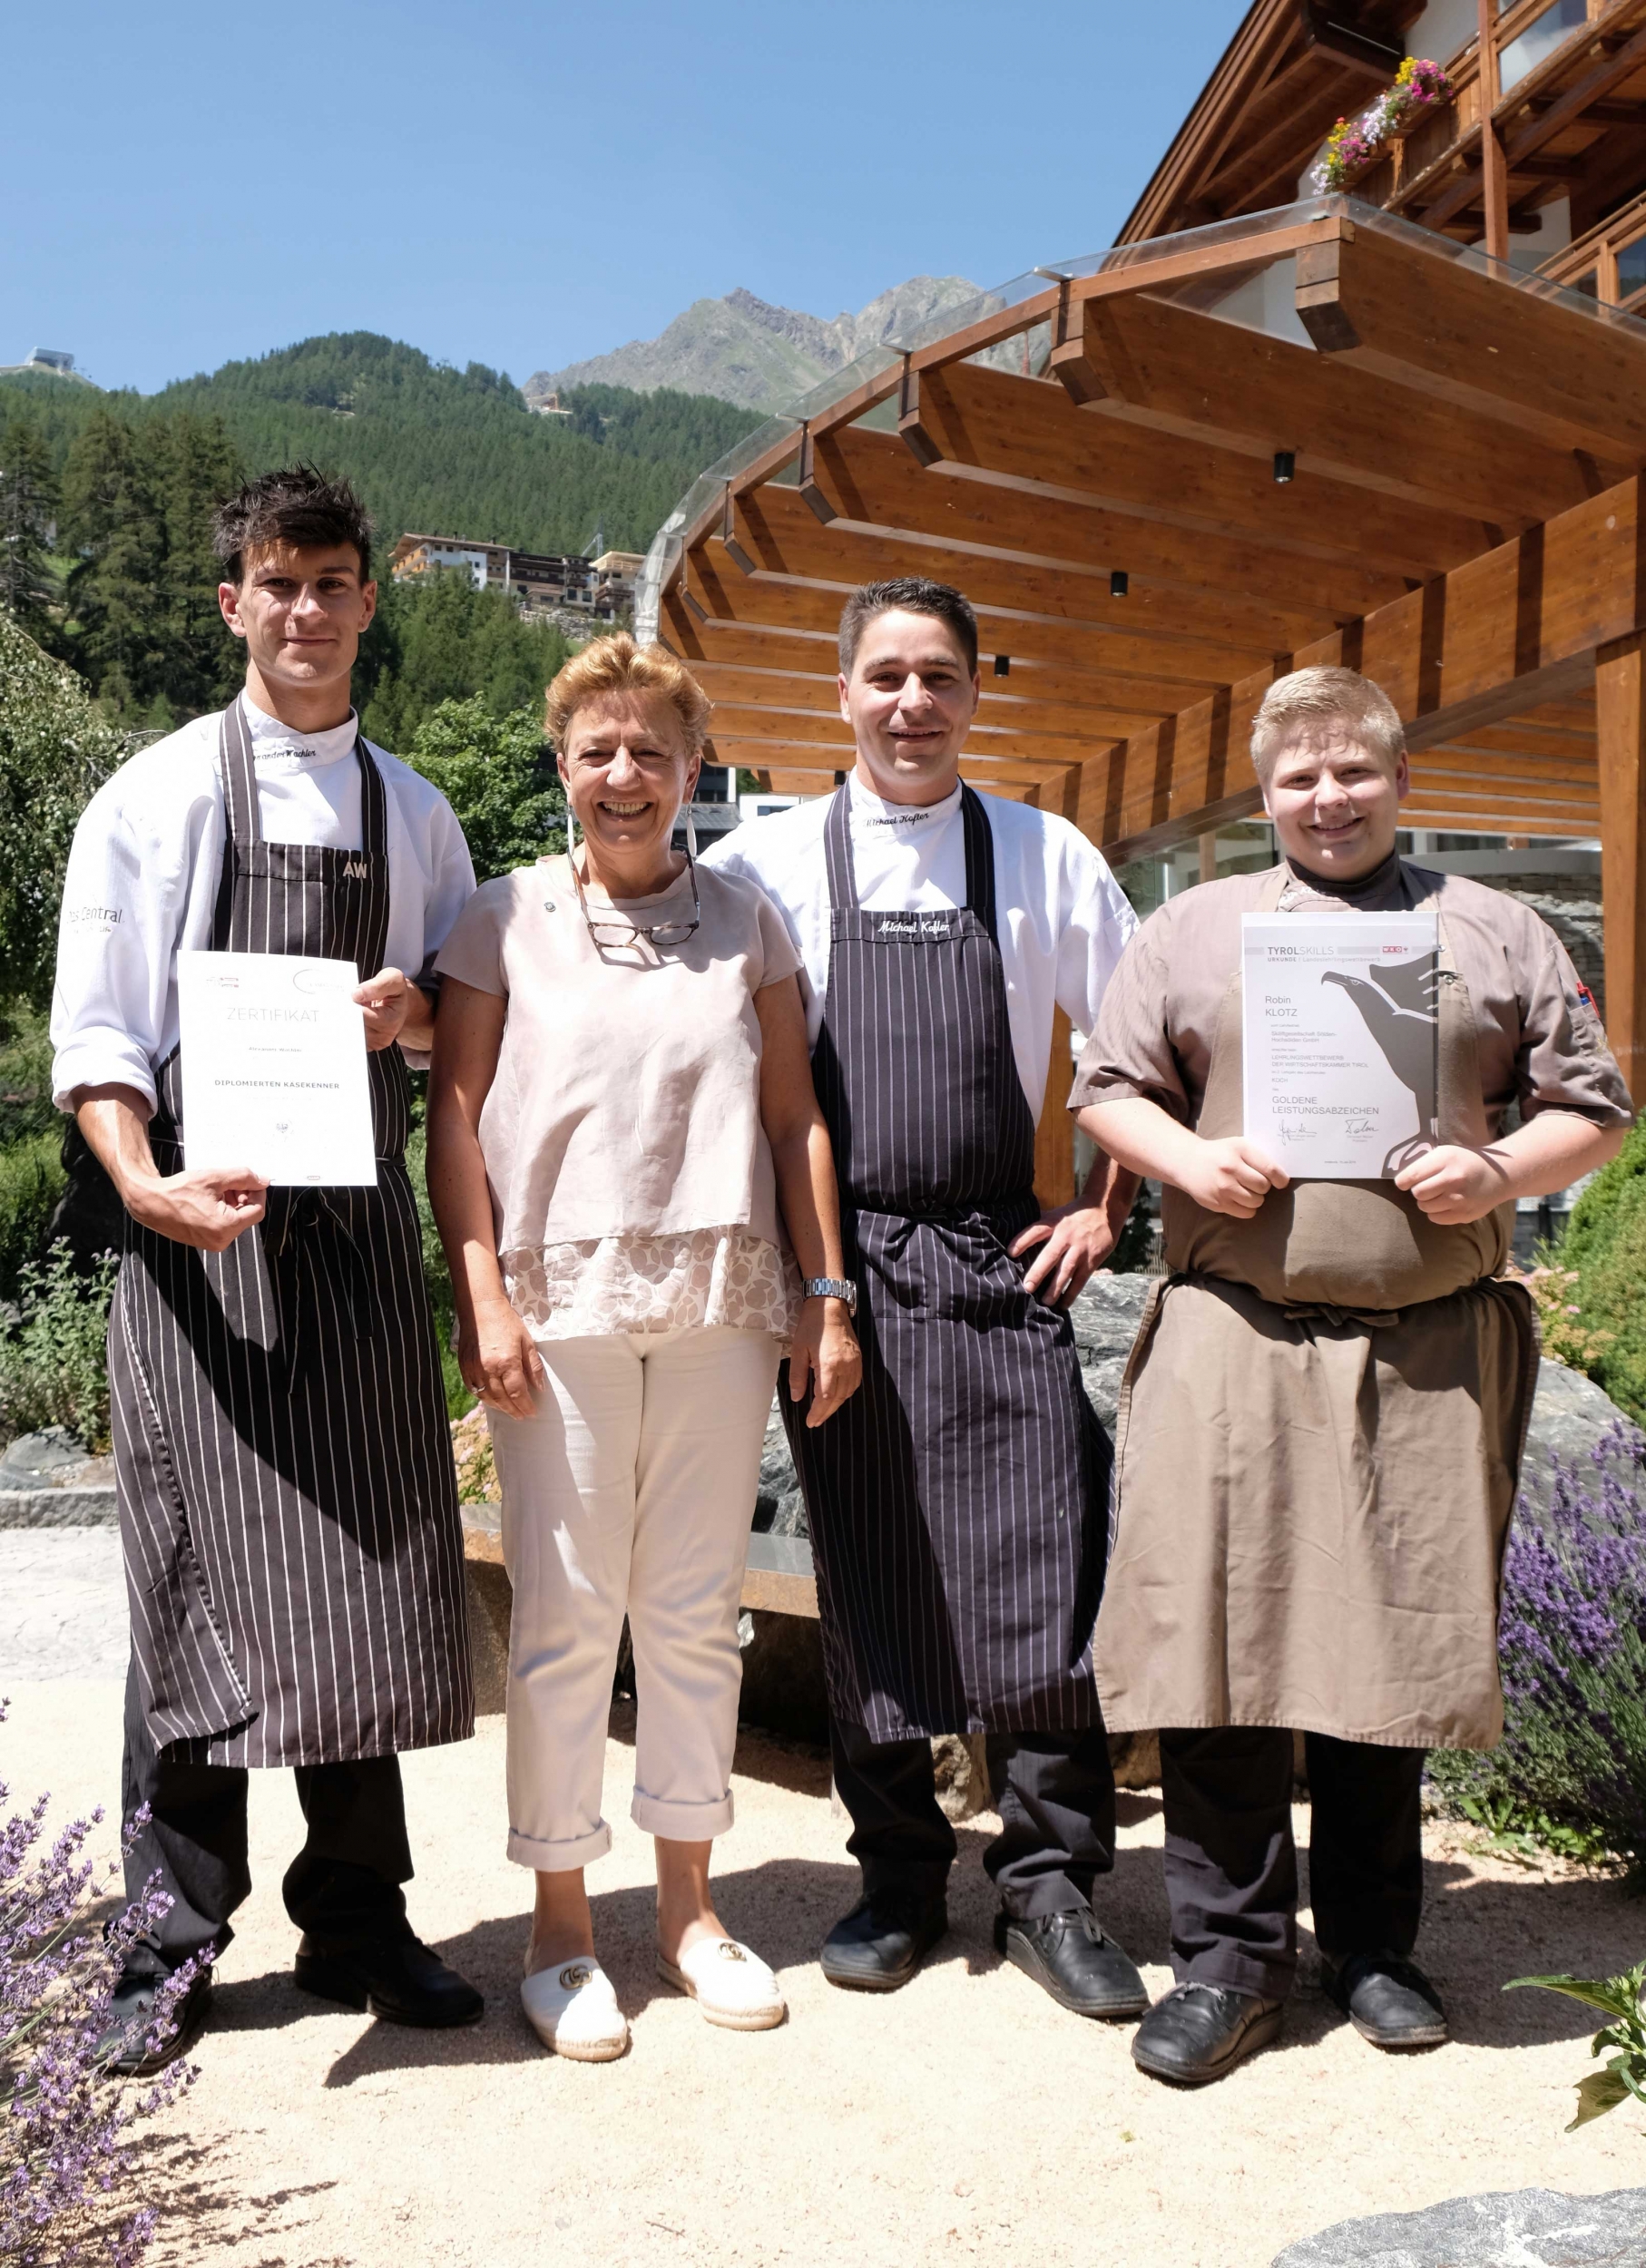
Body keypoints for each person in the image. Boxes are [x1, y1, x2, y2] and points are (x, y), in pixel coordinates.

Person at [1074, 664, 1633, 2086]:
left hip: (1424, 1345)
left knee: (1391, 1649)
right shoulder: (1194, 927)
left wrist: (1496, 1167)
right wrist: (1188, 1159)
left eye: (1353, 772)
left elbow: (1591, 1110)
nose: (1326, 799)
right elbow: (1107, 1090)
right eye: (1297, 777)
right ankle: (1226, 1959)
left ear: (1399, 778)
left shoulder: (1493, 929)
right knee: (1214, 1654)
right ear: (1263, 793)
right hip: (1233, 1332)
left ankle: (1375, 1947)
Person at [52, 466, 483, 2069]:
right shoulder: (152, 798)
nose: (306, 609)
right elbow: (98, 1038)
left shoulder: (414, 811)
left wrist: (409, 1018)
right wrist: (141, 1186)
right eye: (277, 582)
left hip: (358, 1249)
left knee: (365, 1581)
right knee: (201, 1596)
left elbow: (458, 1028)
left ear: (371, 603)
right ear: (232, 602)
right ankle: (167, 1937)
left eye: (334, 581)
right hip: (200, 1246)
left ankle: (357, 1921)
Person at [704, 576, 1146, 2018]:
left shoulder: (1042, 853)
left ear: (972, 695)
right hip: (842, 1270)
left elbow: (1141, 1051)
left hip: (997, 1255)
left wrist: (1097, 1204)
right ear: (842, 693)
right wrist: (792, 1284)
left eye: (938, 677)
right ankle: (896, 1871)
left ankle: (1050, 1882)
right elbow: (741, 1090)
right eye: (885, 675)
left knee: (1044, 1562)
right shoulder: (765, 866)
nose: (911, 703)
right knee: (870, 1567)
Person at [427, 633, 860, 2063]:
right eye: (598, 752)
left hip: (726, 1301)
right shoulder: (499, 922)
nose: (625, 777)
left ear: (693, 769)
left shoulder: (750, 922)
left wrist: (826, 1290)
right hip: (558, 1307)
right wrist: (481, 1293)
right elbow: (457, 1119)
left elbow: (795, 1115)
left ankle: (687, 1913)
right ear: (563, 767)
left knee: (689, 1612)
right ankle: (561, 1928)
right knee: (563, 1619)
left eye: (652, 754)